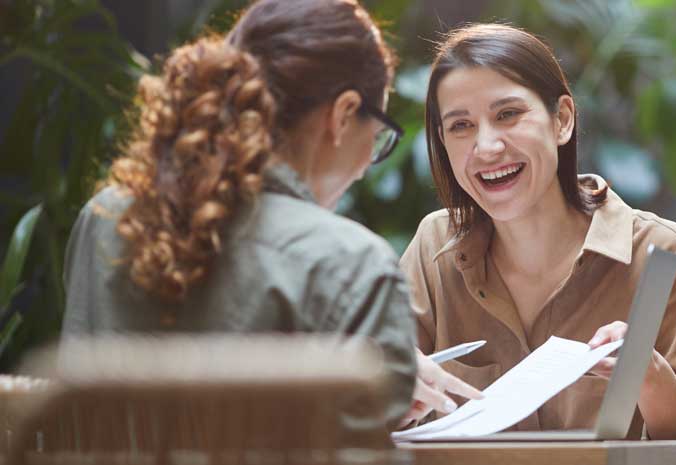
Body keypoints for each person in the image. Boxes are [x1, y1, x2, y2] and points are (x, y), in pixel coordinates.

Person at [61, 0, 478, 428]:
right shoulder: (349, 263)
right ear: (343, 114)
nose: (363, 168)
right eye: (377, 138)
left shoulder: (107, 216)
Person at [400, 23, 676, 439]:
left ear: (561, 120)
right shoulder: (433, 250)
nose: (486, 147)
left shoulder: (667, 255)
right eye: (461, 126)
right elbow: (361, 413)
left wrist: (651, 380)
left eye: (507, 114)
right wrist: (388, 393)